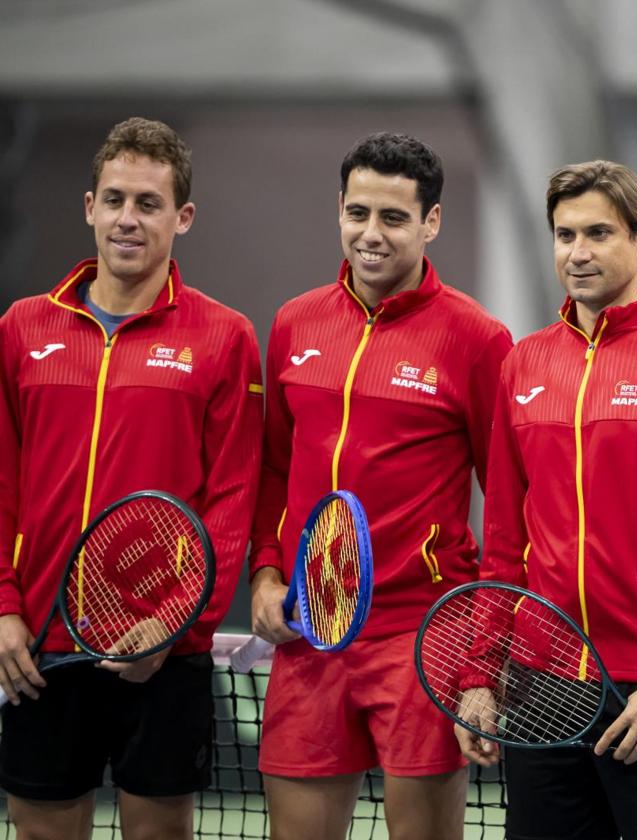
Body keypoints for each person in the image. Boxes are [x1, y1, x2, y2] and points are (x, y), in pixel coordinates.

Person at [454, 160, 637, 840]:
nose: (577, 253)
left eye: (598, 233)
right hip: (540, 685)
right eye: (564, 235)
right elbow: (503, 541)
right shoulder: (523, 365)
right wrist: (480, 672)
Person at [0, 117, 263, 839]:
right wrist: (2, 609)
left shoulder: (225, 337)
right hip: (39, 646)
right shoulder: (21, 329)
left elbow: (233, 500)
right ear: (89, 206)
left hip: (163, 650)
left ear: (182, 217)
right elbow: (1, 484)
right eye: (115, 199)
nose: (128, 218)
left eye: (148, 204)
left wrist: (176, 621)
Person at [248, 132, 511, 840]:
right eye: (358, 212)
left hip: (423, 637)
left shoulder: (479, 339)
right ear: (339, 209)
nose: (372, 234)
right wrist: (267, 573)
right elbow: (275, 470)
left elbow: (511, 507)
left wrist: (482, 658)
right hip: (310, 634)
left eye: (394, 218)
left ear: (431, 222)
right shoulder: (294, 323)